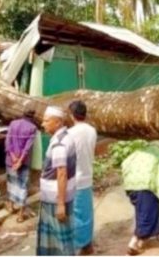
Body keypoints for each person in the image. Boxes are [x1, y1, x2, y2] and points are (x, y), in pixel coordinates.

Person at [36, 106, 77, 256]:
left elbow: (61, 173)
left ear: (58, 122)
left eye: (47, 121)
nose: (43, 124)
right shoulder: (66, 136)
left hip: (56, 199)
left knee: (60, 238)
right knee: (60, 236)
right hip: (61, 196)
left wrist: (60, 204)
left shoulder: (59, 144)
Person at [121, 144, 159, 256]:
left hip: (131, 186)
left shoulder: (139, 151)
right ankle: (133, 243)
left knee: (141, 213)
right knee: (148, 217)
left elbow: (124, 163)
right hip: (146, 187)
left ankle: (140, 243)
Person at [67, 101, 97, 255]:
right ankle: (87, 243)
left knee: (75, 214)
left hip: (74, 178)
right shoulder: (92, 131)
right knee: (86, 212)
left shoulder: (70, 133)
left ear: (72, 115)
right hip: (87, 175)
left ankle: (80, 245)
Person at [4, 109, 38, 223]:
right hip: (23, 163)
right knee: (23, 186)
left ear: (22, 114)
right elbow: (27, 148)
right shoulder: (32, 128)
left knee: (11, 183)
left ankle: (11, 206)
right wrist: (20, 161)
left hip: (10, 161)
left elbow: (8, 142)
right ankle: (20, 215)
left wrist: (13, 158)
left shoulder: (13, 123)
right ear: (32, 117)